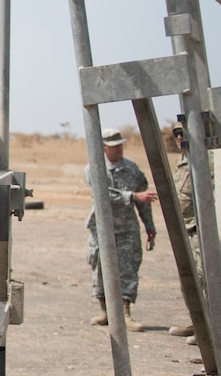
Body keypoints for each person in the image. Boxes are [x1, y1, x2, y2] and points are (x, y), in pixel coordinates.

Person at [86, 129, 157, 330]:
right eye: (113, 145)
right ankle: (105, 311)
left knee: (128, 269)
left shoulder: (132, 168)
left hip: (127, 229)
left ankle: (125, 313)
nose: (118, 148)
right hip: (102, 228)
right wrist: (132, 197)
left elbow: (144, 200)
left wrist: (149, 225)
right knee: (100, 267)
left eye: (120, 144)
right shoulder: (94, 168)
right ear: (103, 147)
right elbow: (103, 194)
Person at [169, 118, 202, 338]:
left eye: (183, 132)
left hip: (203, 232)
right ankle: (198, 324)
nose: (179, 137)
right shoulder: (182, 161)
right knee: (190, 280)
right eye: (176, 133)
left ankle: (211, 329)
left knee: (204, 280)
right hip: (186, 231)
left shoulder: (205, 161)